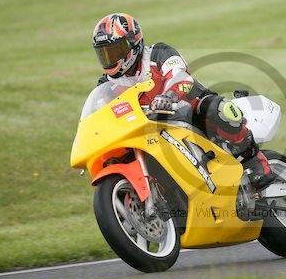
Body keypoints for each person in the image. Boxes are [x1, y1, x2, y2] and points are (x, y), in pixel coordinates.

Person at [91, 12, 274, 189]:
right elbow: (100, 113)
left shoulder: (158, 53)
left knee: (216, 109)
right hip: (148, 129)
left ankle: (255, 160)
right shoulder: (106, 84)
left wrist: (169, 96)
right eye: (104, 53)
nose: (110, 58)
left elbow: (181, 78)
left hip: (188, 112)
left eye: (114, 51)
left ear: (133, 43)